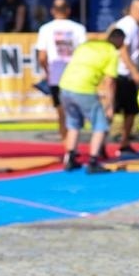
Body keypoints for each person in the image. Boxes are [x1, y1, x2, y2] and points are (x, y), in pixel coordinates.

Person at [56, 28, 122, 173]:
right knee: (100, 124)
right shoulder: (111, 52)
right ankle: (93, 161)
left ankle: (70, 158)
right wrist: (110, 106)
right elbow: (110, 82)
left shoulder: (87, 45)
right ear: (119, 40)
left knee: (73, 123)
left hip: (65, 86)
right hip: (83, 88)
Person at [36, 0, 88, 133]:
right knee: (74, 107)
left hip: (56, 71)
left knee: (60, 109)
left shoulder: (45, 29)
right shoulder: (79, 29)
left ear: (53, 11)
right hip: (75, 71)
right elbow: (83, 53)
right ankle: (73, 136)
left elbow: (42, 57)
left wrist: (47, 72)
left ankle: (65, 139)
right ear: (68, 10)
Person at [112, 0, 139, 153]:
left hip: (127, 73)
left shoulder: (137, 26)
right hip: (120, 73)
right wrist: (134, 71)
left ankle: (124, 141)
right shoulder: (127, 25)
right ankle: (111, 142)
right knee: (117, 109)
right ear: (133, 10)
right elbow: (123, 50)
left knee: (131, 110)